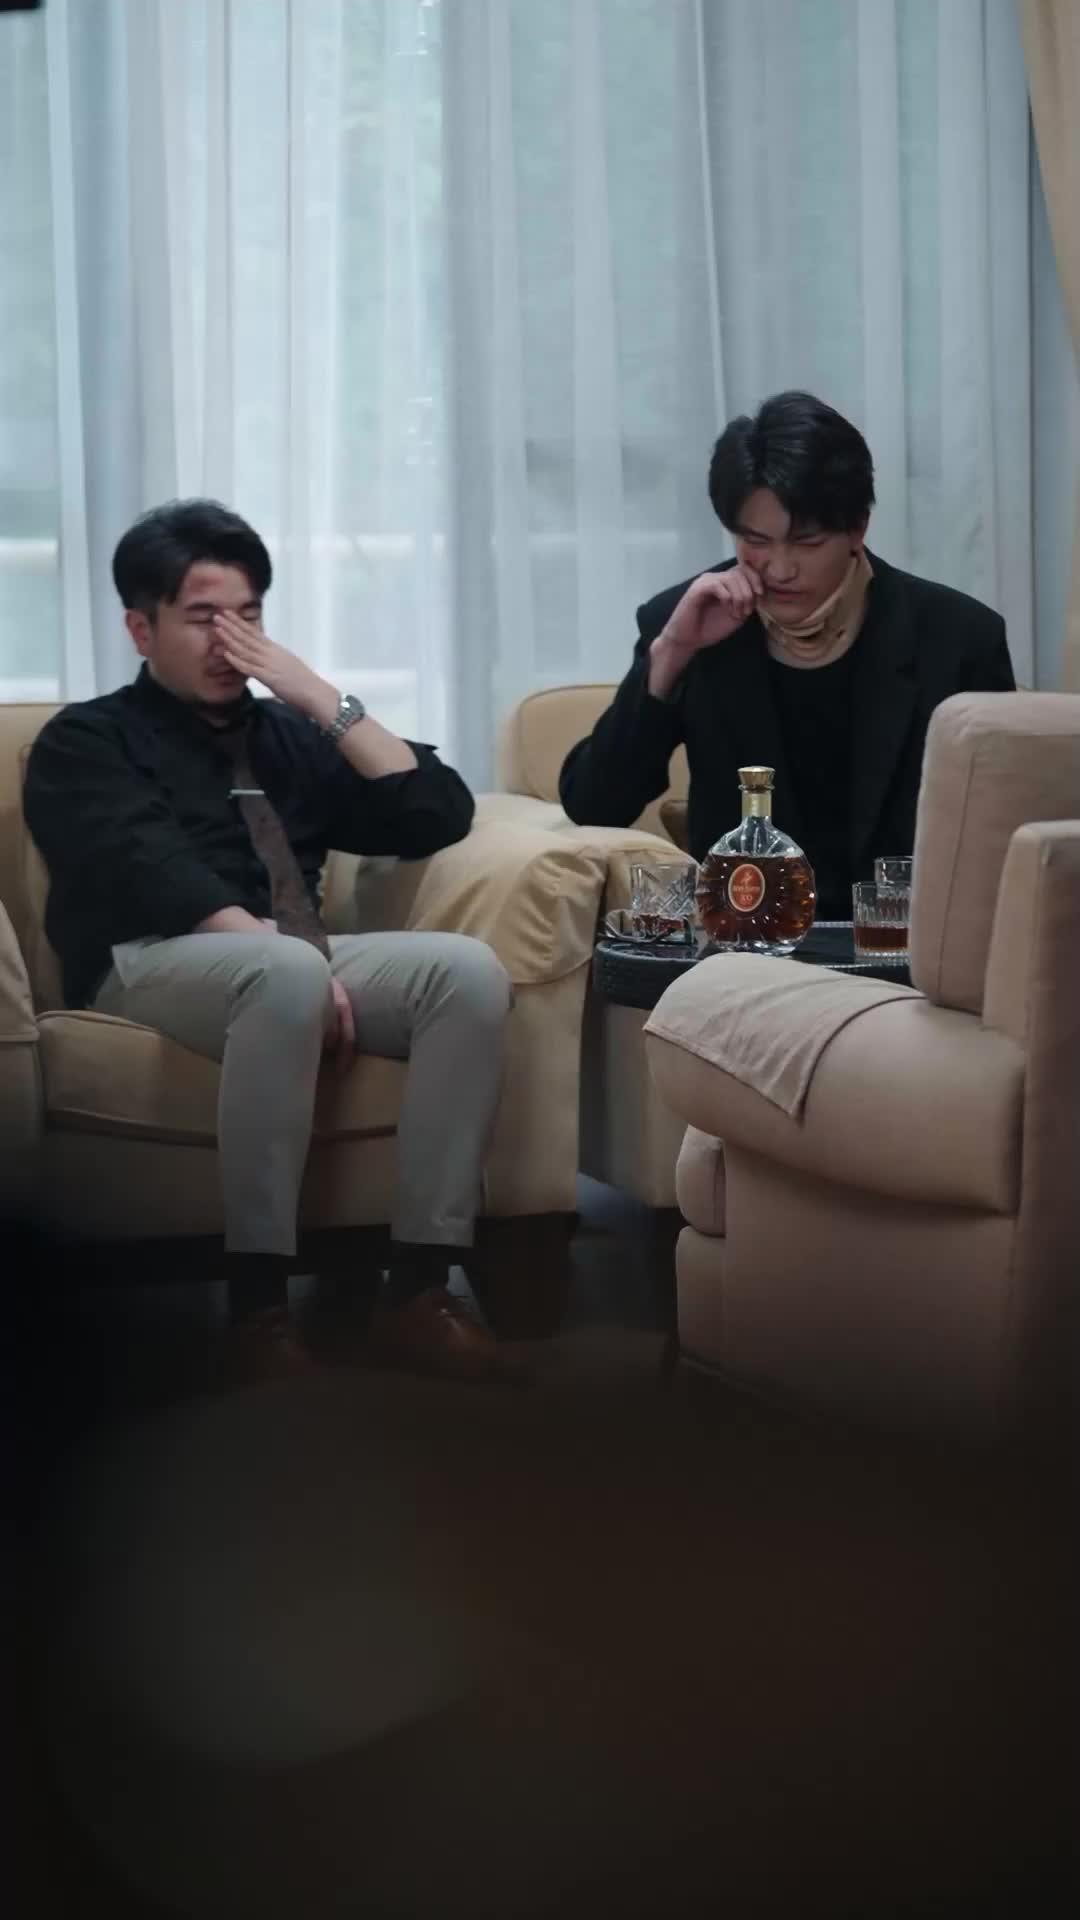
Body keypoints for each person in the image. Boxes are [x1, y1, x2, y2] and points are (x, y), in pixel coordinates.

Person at [24, 500, 517, 1384]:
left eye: (248, 616)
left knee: (466, 973)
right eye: (202, 617)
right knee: (284, 968)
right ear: (140, 628)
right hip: (147, 965)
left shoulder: (292, 736)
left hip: (292, 959)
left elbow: (435, 810)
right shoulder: (87, 739)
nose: (231, 641)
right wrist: (285, 958)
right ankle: (257, 1310)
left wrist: (317, 695)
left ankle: (418, 1289)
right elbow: (154, 868)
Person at [559, 391, 1015, 914]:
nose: (779, 569)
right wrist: (672, 652)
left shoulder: (958, 639)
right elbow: (594, 804)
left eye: (807, 542)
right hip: (744, 944)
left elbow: (1001, 828)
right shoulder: (688, 621)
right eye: (755, 541)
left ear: (858, 528)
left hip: (903, 942)